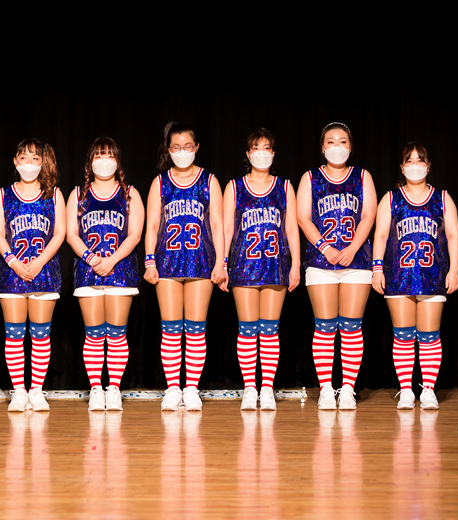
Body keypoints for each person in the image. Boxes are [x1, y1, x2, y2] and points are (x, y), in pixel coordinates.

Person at [143, 122, 226, 412]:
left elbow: (217, 224)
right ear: (168, 149)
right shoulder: (160, 182)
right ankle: (173, 388)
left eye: (187, 146)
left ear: (197, 147)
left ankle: (191, 388)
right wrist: (149, 260)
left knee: (195, 328)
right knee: (170, 328)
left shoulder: (209, 180)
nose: (182, 151)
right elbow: (152, 225)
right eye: (176, 147)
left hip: (201, 261)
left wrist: (221, 261)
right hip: (167, 262)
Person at [372, 143, 458, 410]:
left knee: (430, 335)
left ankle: (429, 389)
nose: (415, 165)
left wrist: (454, 269)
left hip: (433, 275)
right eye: (409, 161)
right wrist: (377, 268)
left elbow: (453, 235)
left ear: (428, 166)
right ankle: (407, 390)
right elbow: (380, 235)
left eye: (420, 160)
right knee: (403, 335)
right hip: (398, 275)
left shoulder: (442, 198)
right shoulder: (391, 198)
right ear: (402, 167)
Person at [296, 122, 377, 410]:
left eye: (343, 141)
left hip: (357, 261)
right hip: (320, 261)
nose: (337, 146)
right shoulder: (310, 177)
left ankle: (348, 389)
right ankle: (327, 389)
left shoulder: (362, 176)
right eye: (330, 141)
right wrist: (325, 248)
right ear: (322, 147)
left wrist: (352, 248)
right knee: (325, 326)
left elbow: (368, 215)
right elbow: (303, 217)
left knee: (352, 327)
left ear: (350, 147)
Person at [220, 129, 300, 411]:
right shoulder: (234, 187)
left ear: (274, 153)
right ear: (247, 153)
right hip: (244, 265)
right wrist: (223, 263)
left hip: (276, 265)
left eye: (267, 147)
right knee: (247, 329)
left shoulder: (284, 186)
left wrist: (296, 264)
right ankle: (249, 388)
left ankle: (266, 389)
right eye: (256, 148)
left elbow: (291, 229)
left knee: (269, 329)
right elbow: (227, 230)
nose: (261, 152)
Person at [66, 137, 144, 411]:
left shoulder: (130, 194)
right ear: (90, 161)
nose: (104, 160)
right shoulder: (78, 194)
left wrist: (111, 260)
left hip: (120, 270)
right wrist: (91, 258)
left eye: (109, 155)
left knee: (117, 334)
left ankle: (114, 389)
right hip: (88, 271)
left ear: (118, 161)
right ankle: (96, 389)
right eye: (98, 155)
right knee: (94, 334)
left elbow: (135, 234)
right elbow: (71, 234)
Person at [0, 138, 65, 412]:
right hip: (12, 273)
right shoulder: (4, 194)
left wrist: (40, 261)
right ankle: (19, 391)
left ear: (42, 162)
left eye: (35, 159)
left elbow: (59, 233)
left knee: (40, 334)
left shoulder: (53, 195)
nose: (29, 163)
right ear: (15, 161)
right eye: (24, 158)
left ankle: (36, 390)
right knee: (14, 334)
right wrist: (13, 262)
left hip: (43, 272)